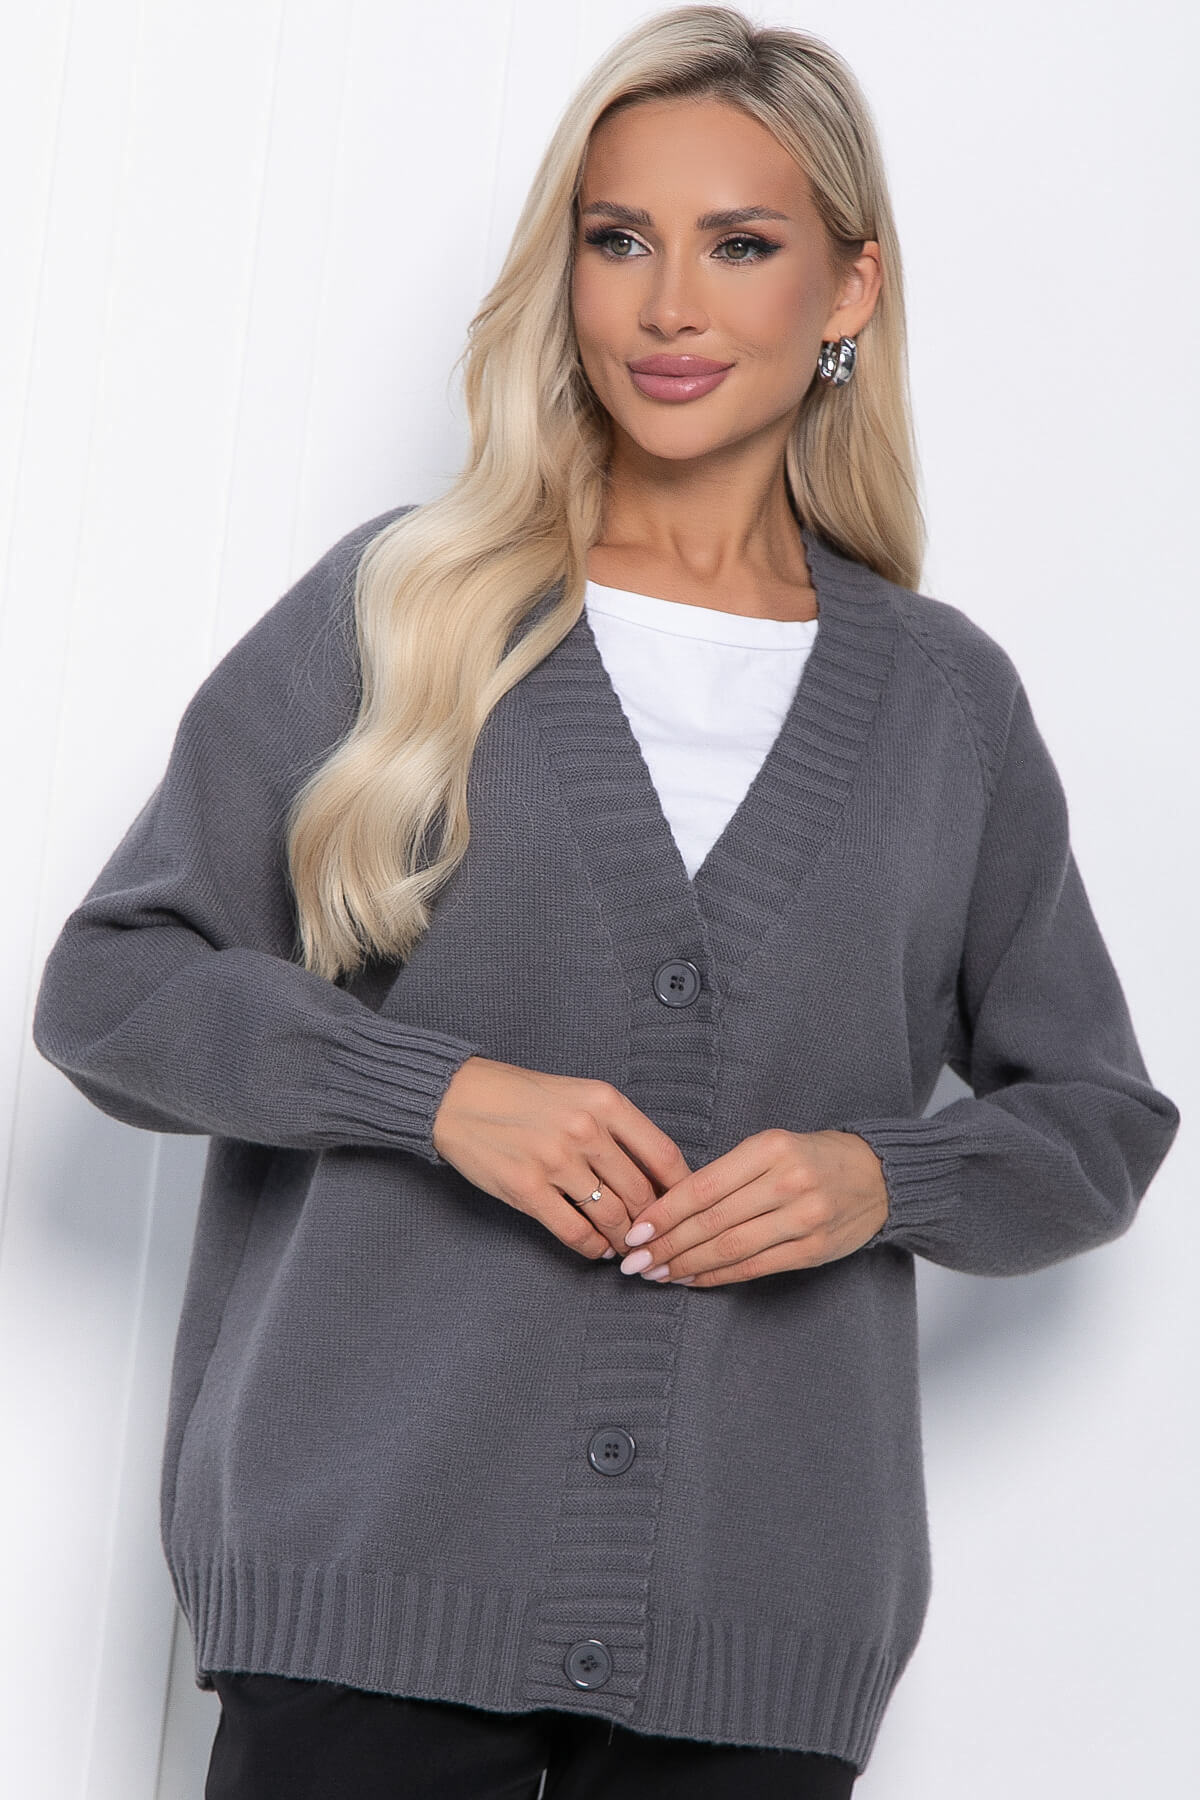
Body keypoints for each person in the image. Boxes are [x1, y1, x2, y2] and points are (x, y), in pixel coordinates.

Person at [32, 7, 1178, 1797]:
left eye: (742, 245)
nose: (669, 306)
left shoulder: (945, 704)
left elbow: (1095, 1118)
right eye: (620, 238)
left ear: (850, 287)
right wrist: (433, 1096)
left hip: (758, 1628)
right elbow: (112, 986)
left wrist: (879, 1178)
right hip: (362, 1584)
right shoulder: (404, 608)